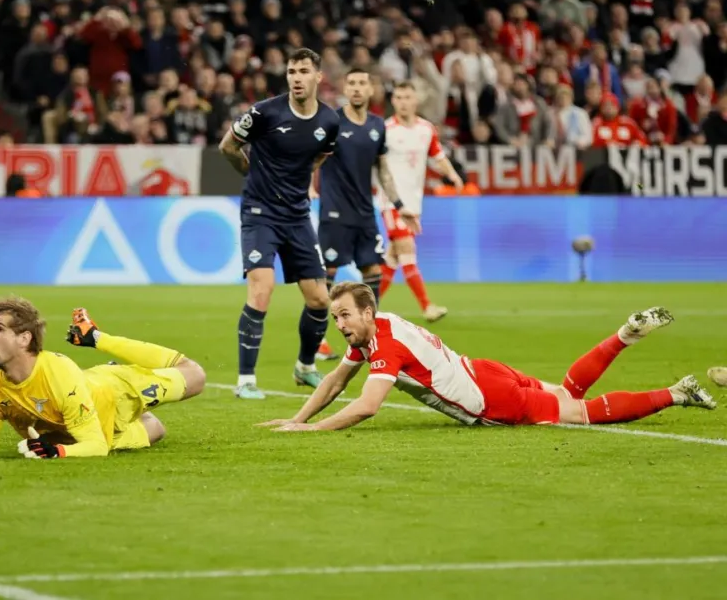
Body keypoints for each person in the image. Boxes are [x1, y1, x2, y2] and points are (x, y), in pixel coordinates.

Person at [258, 282, 716, 432]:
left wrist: (312, 431)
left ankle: (676, 393)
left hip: (488, 399)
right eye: (335, 318)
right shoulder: (379, 328)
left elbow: (366, 405)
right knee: (565, 391)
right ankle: (622, 335)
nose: (339, 325)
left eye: (343, 316)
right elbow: (336, 382)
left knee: (580, 411)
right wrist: (297, 418)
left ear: (366, 312)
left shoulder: (385, 344)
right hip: (482, 370)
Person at [218, 47, 341, 400]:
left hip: (298, 215)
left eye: (303, 71)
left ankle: (304, 368)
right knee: (262, 289)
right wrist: (252, 171)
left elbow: (319, 156)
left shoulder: (329, 121)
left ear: (318, 77)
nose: (296, 78)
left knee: (320, 299)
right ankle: (245, 380)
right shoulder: (264, 112)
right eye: (291, 72)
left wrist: (298, 181)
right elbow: (228, 146)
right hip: (260, 212)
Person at [0, 298, 205, 459]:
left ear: (24, 339)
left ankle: (96, 337)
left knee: (194, 375)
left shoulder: (56, 373)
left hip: (116, 392)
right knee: (155, 431)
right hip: (89, 424)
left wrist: (58, 454)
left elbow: (95, 447)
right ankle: (136, 419)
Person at [312, 68, 418, 362]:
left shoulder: (376, 125)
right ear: (345, 88)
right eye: (352, 83)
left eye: (362, 83)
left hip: (364, 213)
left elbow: (382, 169)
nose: (357, 88)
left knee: (373, 273)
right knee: (328, 276)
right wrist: (309, 187)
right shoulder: (332, 121)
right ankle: (319, 339)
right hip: (335, 212)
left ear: (371, 90)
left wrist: (399, 204)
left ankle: (372, 338)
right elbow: (313, 157)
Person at [377, 82, 464, 323]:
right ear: (393, 102)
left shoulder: (427, 129)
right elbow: (374, 163)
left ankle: (369, 306)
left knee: (393, 257)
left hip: (414, 202)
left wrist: (453, 175)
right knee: (406, 249)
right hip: (391, 202)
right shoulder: (386, 130)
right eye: (398, 97)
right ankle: (427, 306)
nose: (403, 102)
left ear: (416, 101)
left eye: (407, 97)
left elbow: (438, 156)